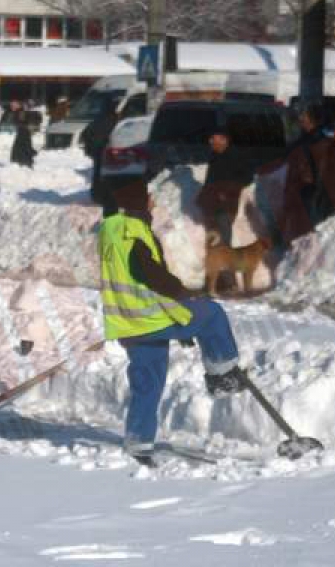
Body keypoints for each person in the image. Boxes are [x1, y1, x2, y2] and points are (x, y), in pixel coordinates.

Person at [98, 177, 247, 466]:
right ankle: (222, 375)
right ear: (137, 203)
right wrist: (186, 293)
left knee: (148, 383)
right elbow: (152, 275)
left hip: (128, 323)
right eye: (147, 197)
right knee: (212, 313)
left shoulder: (110, 231)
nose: (152, 200)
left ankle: (138, 443)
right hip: (151, 318)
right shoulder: (134, 231)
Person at [281, 102, 331, 244]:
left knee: (310, 230)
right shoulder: (302, 140)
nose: (302, 121)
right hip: (300, 188)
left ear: (313, 120)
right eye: (301, 118)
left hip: (312, 190)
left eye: (305, 118)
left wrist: (318, 190)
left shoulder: (319, 140)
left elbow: (322, 168)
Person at [195, 129, 253, 248]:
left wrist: (228, 190)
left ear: (224, 140)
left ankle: (226, 261)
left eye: (213, 139)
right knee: (213, 234)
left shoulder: (236, 155)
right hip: (213, 202)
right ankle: (215, 261)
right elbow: (210, 179)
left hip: (227, 203)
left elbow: (247, 177)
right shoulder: (215, 156)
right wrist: (203, 194)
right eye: (210, 139)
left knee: (223, 232)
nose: (210, 141)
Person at [83, 98, 120, 216]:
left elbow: (86, 134)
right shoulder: (115, 120)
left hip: (98, 151)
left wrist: (90, 148)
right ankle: (106, 196)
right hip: (110, 152)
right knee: (109, 175)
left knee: (98, 173)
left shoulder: (97, 119)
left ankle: (97, 194)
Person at [8, 100, 36, 168]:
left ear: (17, 105)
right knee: (21, 147)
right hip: (22, 131)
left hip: (23, 132)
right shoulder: (19, 111)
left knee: (21, 147)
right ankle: (24, 161)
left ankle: (23, 162)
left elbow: (22, 121)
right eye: (11, 106)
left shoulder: (21, 111)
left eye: (13, 106)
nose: (11, 107)